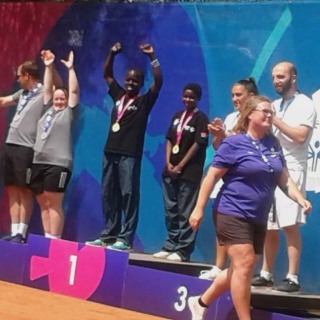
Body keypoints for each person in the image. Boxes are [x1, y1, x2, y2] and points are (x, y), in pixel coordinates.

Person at [187, 95, 312, 320]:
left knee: (240, 268)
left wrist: (299, 198)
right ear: (250, 114)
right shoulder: (233, 143)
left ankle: (199, 302)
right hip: (231, 211)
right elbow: (211, 177)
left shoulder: (273, 143)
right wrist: (199, 209)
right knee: (244, 264)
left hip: (258, 216)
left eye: (270, 111)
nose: (269, 115)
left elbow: (283, 178)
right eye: (264, 111)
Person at [86, 42, 163, 251]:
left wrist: (152, 57)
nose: (130, 83)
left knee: (128, 195)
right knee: (108, 193)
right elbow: (107, 75)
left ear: (140, 83)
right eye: (128, 79)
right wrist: (111, 53)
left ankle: (125, 238)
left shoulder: (144, 101)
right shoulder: (118, 95)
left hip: (130, 154)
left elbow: (158, 81)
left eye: (134, 81)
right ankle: (109, 235)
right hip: (110, 152)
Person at [252, 62, 316, 292]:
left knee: (289, 225)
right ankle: (266, 273)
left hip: (293, 170)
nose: (276, 81)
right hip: (271, 169)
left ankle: (293, 277)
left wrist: (274, 119)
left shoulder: (305, 103)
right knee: (269, 226)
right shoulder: (276, 104)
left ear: (293, 78)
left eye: (281, 76)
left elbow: (300, 136)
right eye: (274, 77)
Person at [199, 77, 259, 280]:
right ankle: (218, 267)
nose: (234, 99)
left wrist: (227, 137)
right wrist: (219, 136)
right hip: (228, 179)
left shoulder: (258, 119)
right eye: (232, 95)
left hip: (250, 182)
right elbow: (221, 148)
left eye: (238, 95)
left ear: (251, 96)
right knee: (223, 222)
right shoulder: (231, 117)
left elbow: (248, 147)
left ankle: (248, 272)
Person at [153, 83, 209, 262]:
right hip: (170, 171)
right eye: (185, 96)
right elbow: (170, 139)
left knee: (186, 211)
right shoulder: (177, 116)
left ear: (198, 99)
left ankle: (183, 250)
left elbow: (197, 145)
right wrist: (169, 162)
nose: (188, 100)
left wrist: (181, 166)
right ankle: (170, 244)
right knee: (171, 210)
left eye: (192, 97)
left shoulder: (201, 119)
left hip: (188, 173)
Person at [29, 50, 79, 239]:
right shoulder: (47, 109)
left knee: (54, 202)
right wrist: (49, 65)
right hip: (38, 161)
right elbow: (48, 88)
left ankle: (54, 241)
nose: (58, 101)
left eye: (62, 99)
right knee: (43, 202)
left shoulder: (68, 114)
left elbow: (73, 91)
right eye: (57, 99)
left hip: (58, 163)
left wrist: (71, 69)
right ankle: (47, 238)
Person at [0, 60, 44, 243]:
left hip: (26, 148)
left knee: (24, 189)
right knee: (11, 188)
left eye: (19, 75)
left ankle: (22, 232)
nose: (17, 79)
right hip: (10, 145)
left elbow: (53, 83)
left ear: (27, 75)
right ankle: (14, 230)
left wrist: (49, 64)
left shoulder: (43, 93)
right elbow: (3, 101)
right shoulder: (22, 93)